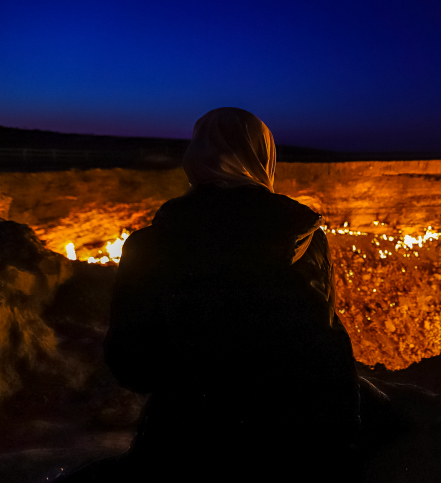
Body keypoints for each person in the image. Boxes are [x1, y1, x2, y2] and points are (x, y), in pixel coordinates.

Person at [99, 108, 361, 480]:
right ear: (264, 158)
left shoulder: (148, 246)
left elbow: (131, 363)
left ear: (196, 157)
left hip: (185, 442)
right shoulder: (305, 239)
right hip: (289, 440)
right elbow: (326, 343)